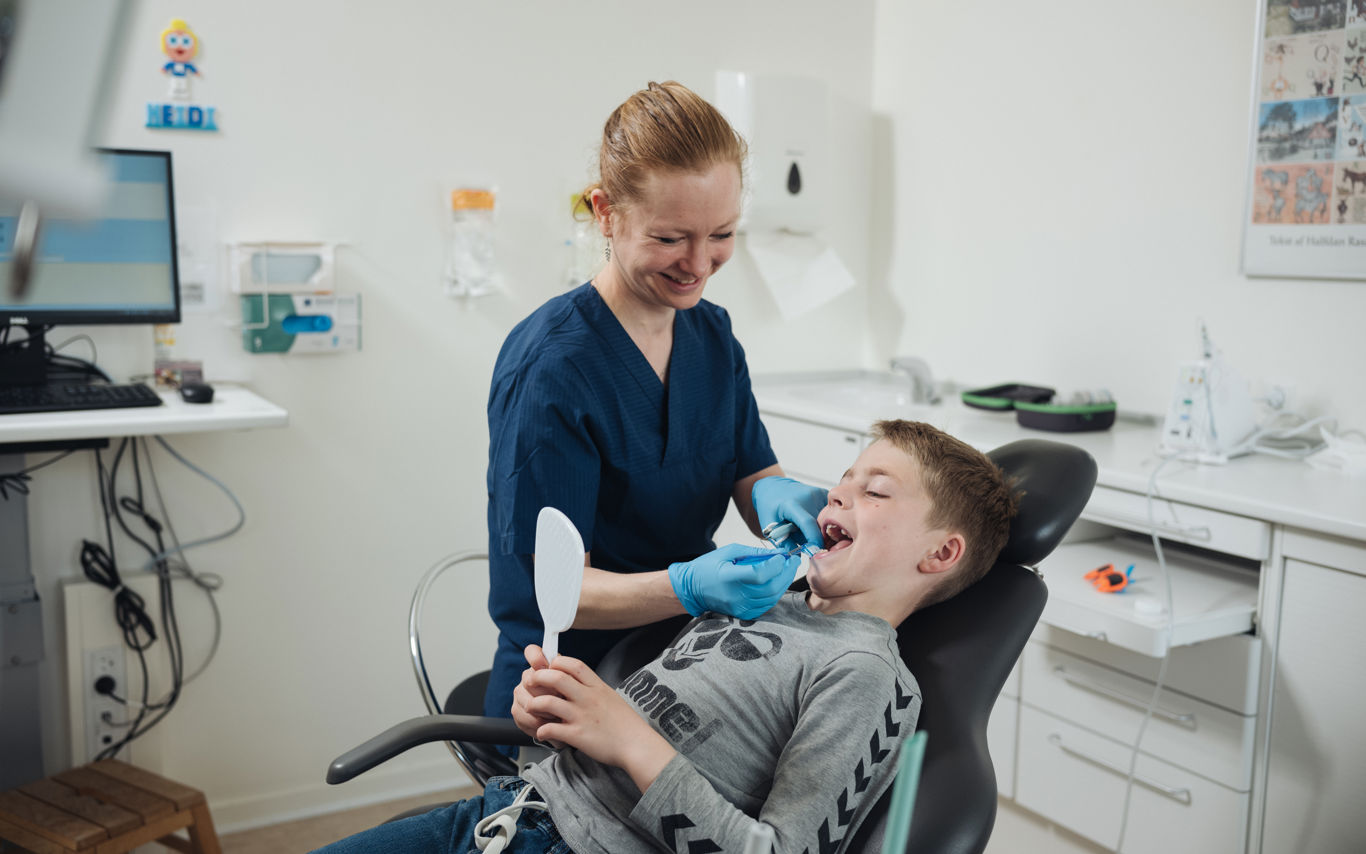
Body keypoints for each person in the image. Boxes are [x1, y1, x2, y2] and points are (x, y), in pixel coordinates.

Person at [314, 419, 1019, 854]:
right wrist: (560, 717)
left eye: (876, 491)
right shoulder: (761, 600)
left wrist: (626, 738)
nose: (836, 495)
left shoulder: (864, 674)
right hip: (510, 810)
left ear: (940, 554)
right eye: (844, 479)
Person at [484, 80, 827, 722]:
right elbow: (559, 594)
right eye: (670, 238)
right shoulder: (554, 368)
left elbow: (753, 474)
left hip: (683, 664)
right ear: (605, 212)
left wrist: (782, 503)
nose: (698, 264)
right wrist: (689, 585)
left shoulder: (712, 335)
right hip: (566, 687)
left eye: (721, 233)